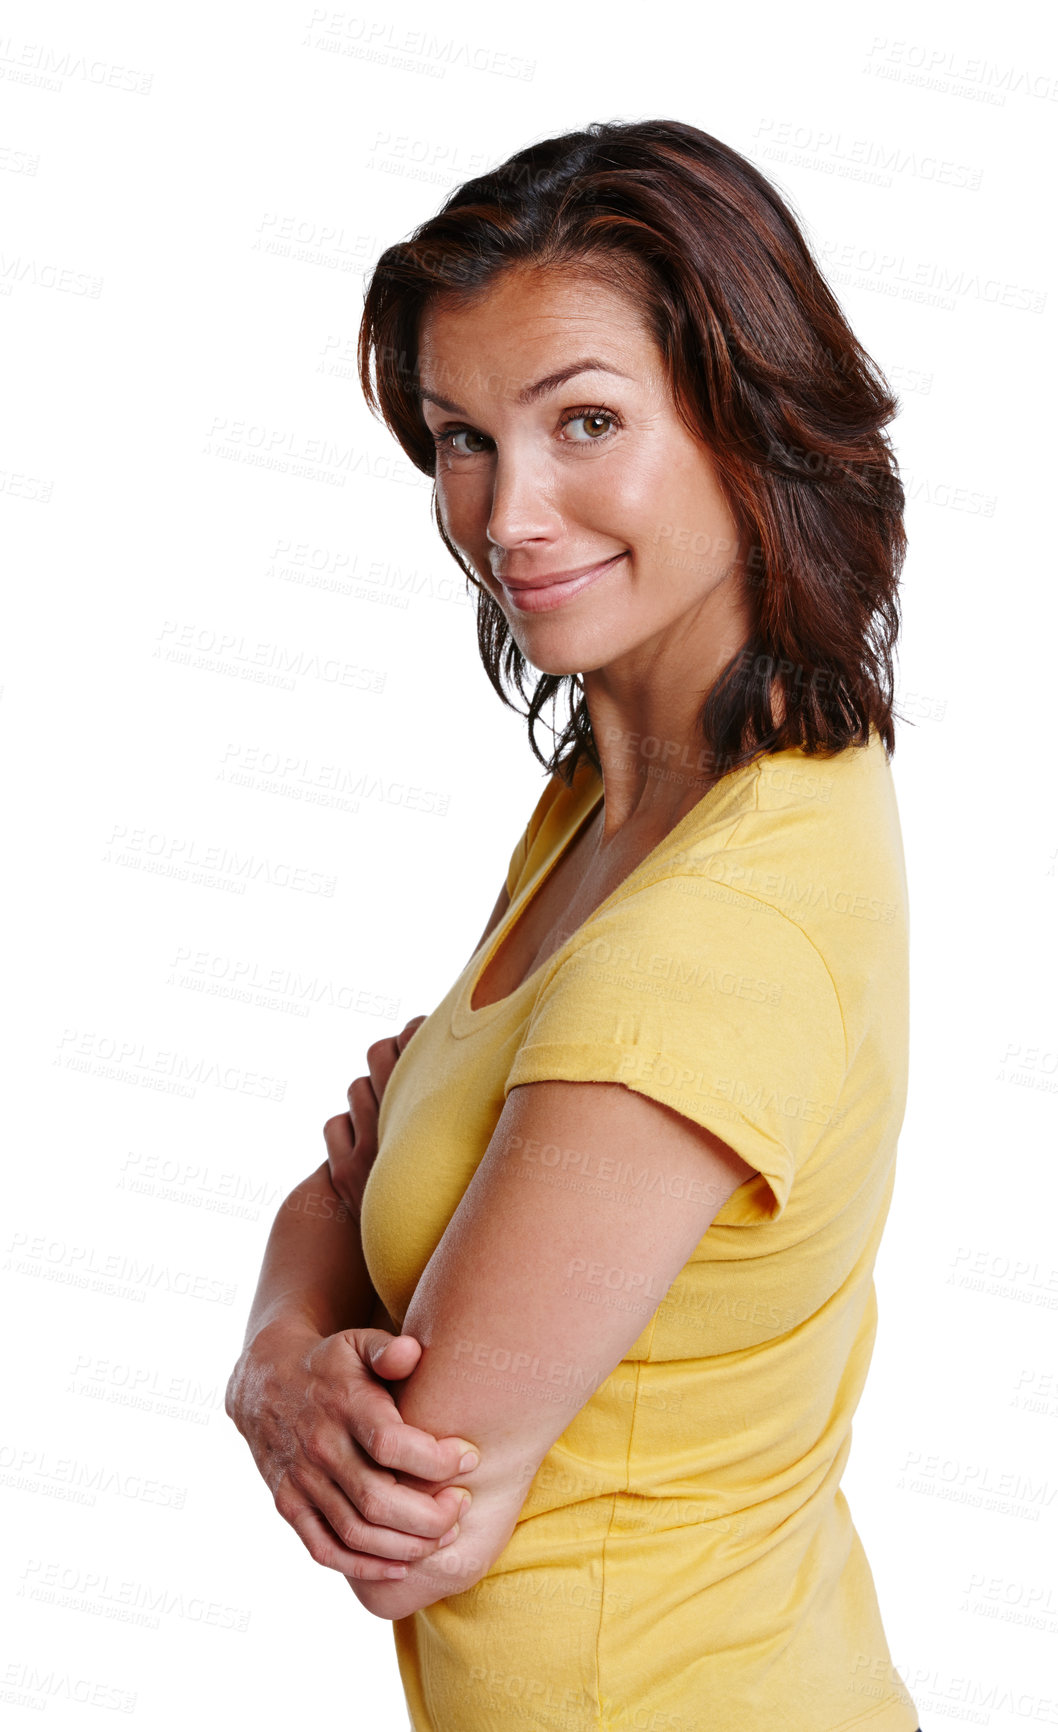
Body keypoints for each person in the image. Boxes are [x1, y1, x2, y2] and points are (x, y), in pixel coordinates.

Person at [227, 119, 924, 1732]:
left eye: (584, 421)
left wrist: (288, 1342)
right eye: (461, 437)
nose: (505, 514)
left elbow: (409, 1524)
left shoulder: (709, 930)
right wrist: (287, 1345)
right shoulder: (664, 787)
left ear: (746, 422)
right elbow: (361, 1178)